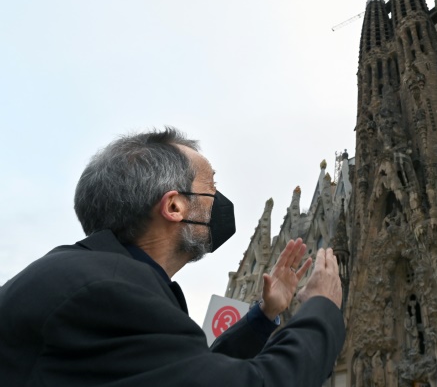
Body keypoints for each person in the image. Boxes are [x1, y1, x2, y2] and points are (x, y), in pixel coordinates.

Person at [0, 128, 345, 386]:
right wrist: (322, 308)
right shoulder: (106, 293)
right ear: (174, 206)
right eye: (211, 189)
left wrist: (263, 315)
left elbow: (191, 371)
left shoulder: (98, 275)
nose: (220, 202)